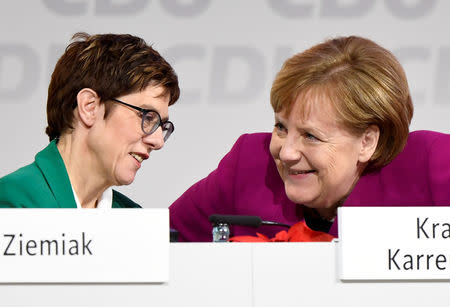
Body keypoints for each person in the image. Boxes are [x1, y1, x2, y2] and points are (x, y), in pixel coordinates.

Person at [170, 35, 450, 242]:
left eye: (310, 136)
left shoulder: (433, 164)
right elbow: (160, 243)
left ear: (367, 142)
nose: (287, 152)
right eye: (281, 127)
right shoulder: (248, 164)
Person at [0, 32, 180, 208]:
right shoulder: (14, 202)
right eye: (148, 117)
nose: (158, 141)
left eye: (161, 125)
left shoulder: (132, 217)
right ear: (89, 107)